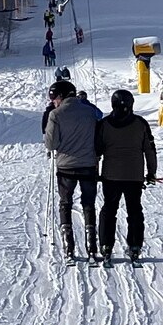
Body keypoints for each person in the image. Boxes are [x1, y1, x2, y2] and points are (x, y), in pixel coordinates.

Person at [96, 89, 159, 261]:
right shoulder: (140, 124)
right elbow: (149, 150)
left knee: (109, 210)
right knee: (134, 210)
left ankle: (106, 245)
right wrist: (151, 172)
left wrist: (95, 172)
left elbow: (97, 151)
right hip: (134, 176)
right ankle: (135, 245)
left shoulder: (104, 124)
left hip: (110, 175)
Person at [43, 77, 104, 257]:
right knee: (88, 203)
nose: (53, 102)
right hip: (88, 164)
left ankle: (68, 244)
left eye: (54, 98)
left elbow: (51, 144)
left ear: (61, 96)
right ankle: (91, 245)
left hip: (66, 166)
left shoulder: (56, 114)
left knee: (65, 203)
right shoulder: (90, 111)